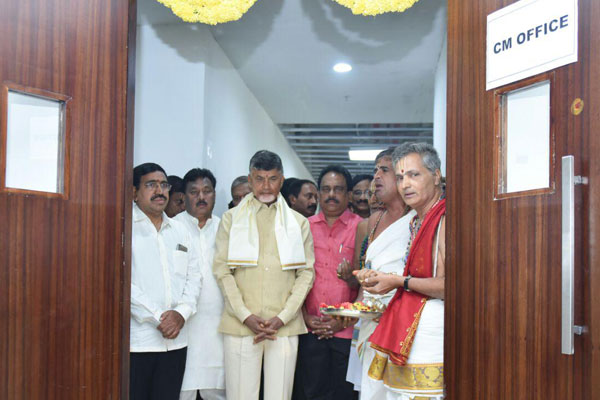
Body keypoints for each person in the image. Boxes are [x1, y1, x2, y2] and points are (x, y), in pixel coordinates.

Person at [213, 150, 315, 400]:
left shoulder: (298, 222)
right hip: (240, 324)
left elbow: (306, 274)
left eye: (272, 179)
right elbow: (222, 271)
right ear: (250, 180)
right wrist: (246, 315)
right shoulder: (230, 219)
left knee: (279, 396)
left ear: (281, 180)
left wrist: (282, 317)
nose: (265, 186)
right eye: (259, 179)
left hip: (284, 326)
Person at [355, 142, 445, 399]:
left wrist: (397, 281)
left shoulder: (444, 218)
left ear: (436, 176)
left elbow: (450, 286)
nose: (406, 184)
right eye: (401, 176)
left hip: (430, 337)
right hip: (407, 331)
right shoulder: (418, 220)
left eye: (414, 175)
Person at [339, 148, 415, 397]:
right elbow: (367, 277)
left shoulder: (418, 219)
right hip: (370, 322)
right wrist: (355, 309)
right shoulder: (374, 221)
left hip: (403, 323)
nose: (376, 177)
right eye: (375, 171)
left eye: (384, 170)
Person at [130, 163, 201, 400]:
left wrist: (180, 313)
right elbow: (123, 284)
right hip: (139, 343)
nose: (159, 191)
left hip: (177, 342)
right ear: (134, 192)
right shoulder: (123, 228)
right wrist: (159, 316)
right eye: (151, 185)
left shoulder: (180, 231)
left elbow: (194, 277)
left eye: (163, 185)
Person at [294, 165, 362, 400]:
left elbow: (367, 283)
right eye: (326, 189)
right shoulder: (304, 227)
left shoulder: (361, 228)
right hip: (309, 328)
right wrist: (303, 315)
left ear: (349, 194)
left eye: (338, 189)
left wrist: (341, 320)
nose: (331, 195)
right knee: (311, 392)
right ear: (319, 193)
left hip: (347, 331)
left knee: (344, 395)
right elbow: (292, 278)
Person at [175, 168, 226, 400]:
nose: (201, 197)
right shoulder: (173, 228)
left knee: (217, 390)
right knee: (181, 389)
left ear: (215, 195)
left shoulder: (226, 228)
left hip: (218, 327)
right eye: (194, 192)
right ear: (184, 196)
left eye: (207, 191)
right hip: (183, 327)